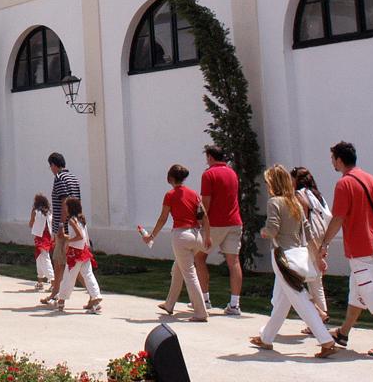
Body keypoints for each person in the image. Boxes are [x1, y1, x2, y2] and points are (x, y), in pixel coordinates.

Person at [317, 141, 373, 358]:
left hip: (359, 248)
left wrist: (324, 243)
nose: (332, 163)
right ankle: (343, 333)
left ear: (339, 159)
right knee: (357, 292)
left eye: (332, 159)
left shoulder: (344, 184)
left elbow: (338, 218)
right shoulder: (372, 180)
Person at [248, 165, 338, 358]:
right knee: (283, 300)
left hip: (283, 257)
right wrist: (318, 257)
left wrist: (263, 232)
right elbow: (308, 232)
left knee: (299, 298)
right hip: (299, 254)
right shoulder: (295, 202)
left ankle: (326, 340)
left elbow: (272, 228)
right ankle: (266, 337)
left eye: (267, 182)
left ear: (273, 183)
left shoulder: (275, 202)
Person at [139, 163, 210, 321]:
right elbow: (203, 215)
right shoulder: (193, 193)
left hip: (181, 236)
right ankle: (169, 304)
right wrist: (207, 236)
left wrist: (151, 236)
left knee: (189, 275)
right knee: (177, 270)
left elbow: (163, 218)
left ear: (170, 178)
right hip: (196, 235)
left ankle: (201, 312)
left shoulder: (170, 195)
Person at [194, 145, 244, 315]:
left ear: (210, 157)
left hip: (214, 223)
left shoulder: (208, 174)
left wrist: (200, 220)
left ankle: (205, 299)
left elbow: (205, 201)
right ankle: (235, 304)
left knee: (199, 257)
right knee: (234, 262)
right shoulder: (232, 173)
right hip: (234, 221)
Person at [291, 166, 331, 322]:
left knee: (294, 280)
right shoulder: (316, 195)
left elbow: (302, 220)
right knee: (316, 280)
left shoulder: (299, 195)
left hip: (309, 238)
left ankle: (318, 315)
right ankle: (321, 316)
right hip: (321, 235)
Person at [51, 197, 102, 313]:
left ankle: (61, 300)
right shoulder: (81, 219)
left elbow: (79, 236)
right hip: (84, 252)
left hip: (76, 254)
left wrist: (69, 241)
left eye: (66, 206)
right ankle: (96, 296)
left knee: (69, 276)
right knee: (88, 275)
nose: (65, 208)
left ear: (70, 208)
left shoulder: (71, 221)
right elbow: (84, 236)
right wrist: (67, 238)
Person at [42, 152, 81, 303]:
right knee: (64, 261)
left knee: (63, 261)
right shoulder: (73, 178)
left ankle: (93, 294)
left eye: (50, 166)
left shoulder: (59, 178)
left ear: (53, 165)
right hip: (76, 223)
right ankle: (56, 292)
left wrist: (61, 226)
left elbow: (64, 202)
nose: (50, 169)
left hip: (65, 226)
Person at [29, 194, 55, 290]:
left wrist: (34, 225)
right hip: (48, 237)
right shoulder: (49, 212)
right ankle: (40, 282)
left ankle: (53, 281)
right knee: (39, 258)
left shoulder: (35, 212)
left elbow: (31, 223)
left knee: (44, 258)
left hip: (40, 237)